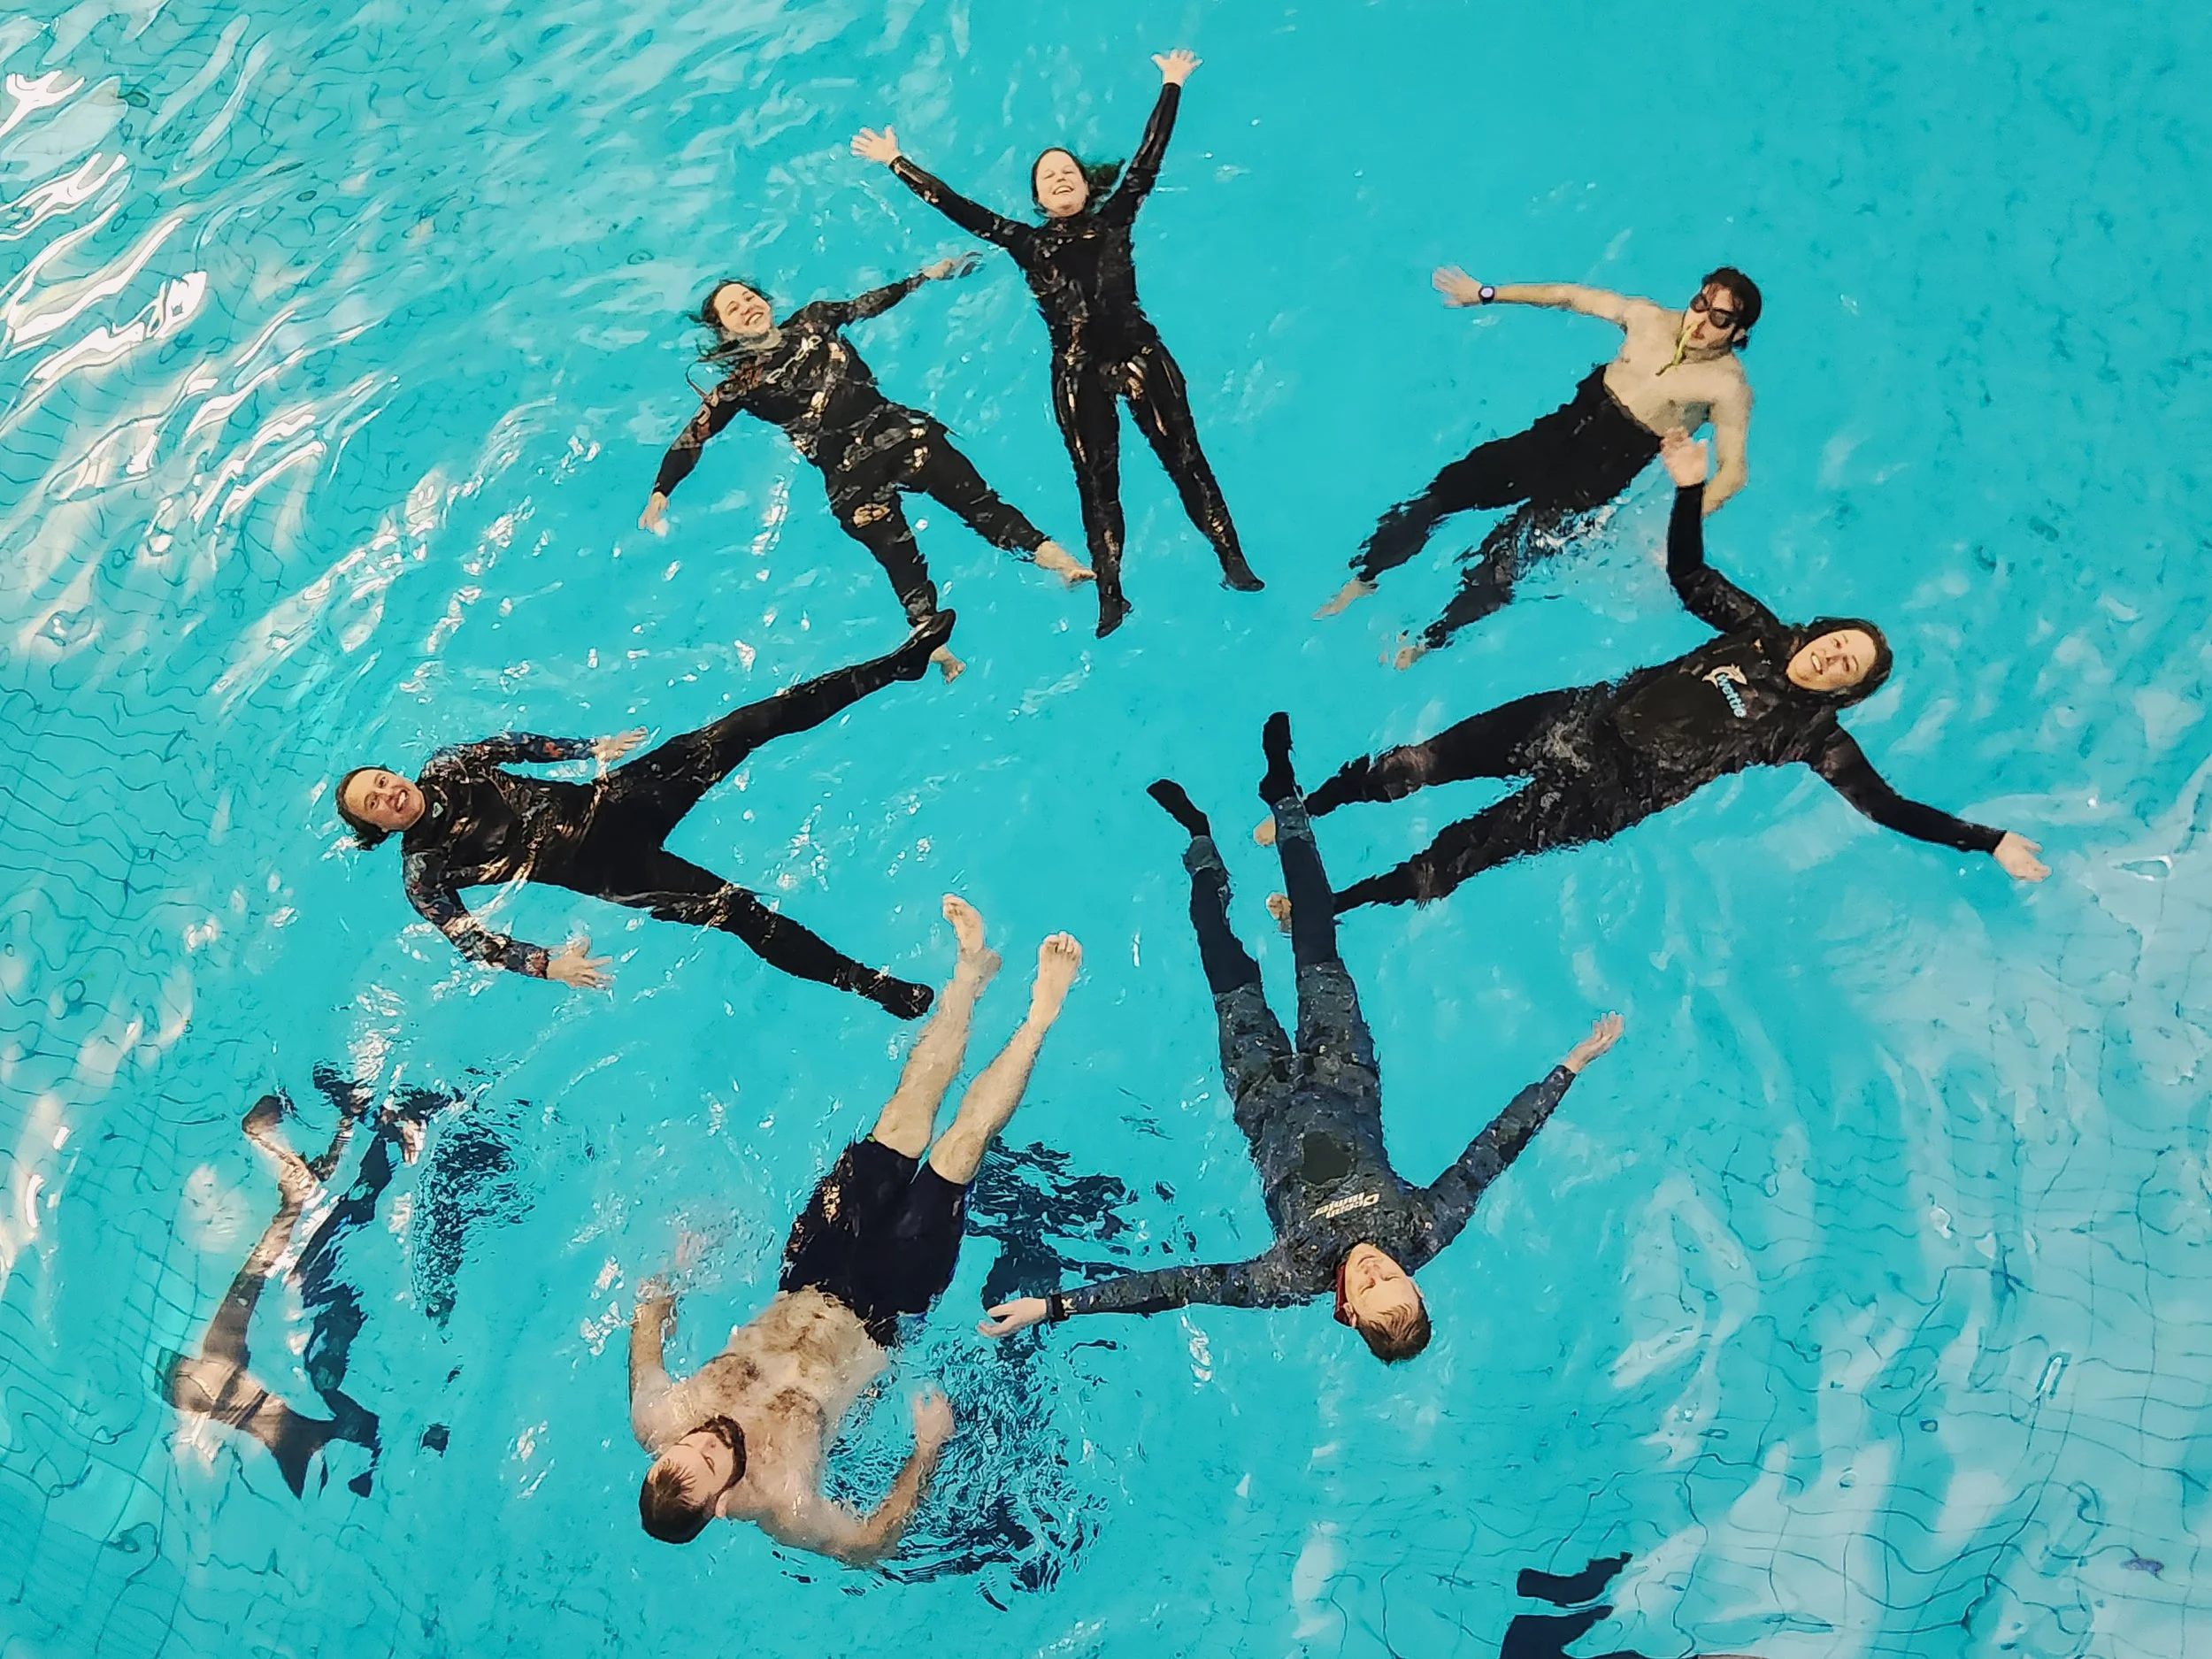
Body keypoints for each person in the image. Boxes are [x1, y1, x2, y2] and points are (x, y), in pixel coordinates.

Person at [976, 715, 1621, 1360]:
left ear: (1347, 1312)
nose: (1377, 1268)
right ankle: (1282, 791)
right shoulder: (1422, 1228)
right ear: (1415, 1283)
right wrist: (1569, 1067)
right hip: (1343, 1065)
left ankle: (1200, 839)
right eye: (1395, 1278)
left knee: (1219, 949)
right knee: (1315, 925)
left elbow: (1178, 1286)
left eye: (1371, 1288)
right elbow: (1493, 1151)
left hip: (1261, 1091)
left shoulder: (1291, 1274)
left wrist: (1055, 1305)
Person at [1275, 433, 2050, 911]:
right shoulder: (1758, 629)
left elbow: (1888, 807)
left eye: (1847, 665)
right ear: (1820, 634)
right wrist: (1687, 488)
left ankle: (1330, 905)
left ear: (1845, 688)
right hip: (1577, 718)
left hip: (1610, 794)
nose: (1832, 655)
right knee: (1426, 759)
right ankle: (1311, 804)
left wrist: (1988, 840)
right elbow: (1688, 574)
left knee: (1454, 858)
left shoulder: (1813, 735)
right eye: (1838, 640)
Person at [626, 897, 1081, 1561]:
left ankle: (969, 975)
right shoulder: (789, 1501)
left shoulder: (659, 1417)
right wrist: (926, 1450)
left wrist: (678, 1264)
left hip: (807, 1270)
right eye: (714, 1454)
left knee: (902, 1117)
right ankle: (1040, 1015)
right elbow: (871, 1542)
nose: (707, 1434)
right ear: (723, 1503)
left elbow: (647, 1316)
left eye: (691, 1443)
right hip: (884, 1308)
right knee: (959, 1147)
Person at [334, 615, 954, 1018]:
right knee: (740, 911)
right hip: (612, 868)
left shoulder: (446, 765)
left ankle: (895, 666)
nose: (389, 794)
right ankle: (871, 986)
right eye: (374, 803)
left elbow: (517, 745)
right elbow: (471, 941)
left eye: (382, 781)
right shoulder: (425, 872)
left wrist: (587, 749)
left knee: (745, 725)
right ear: (377, 828)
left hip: (618, 799)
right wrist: (548, 962)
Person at [853, 50, 1263, 636]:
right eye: (1048, 177)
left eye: (1065, 169)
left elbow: (1149, 156)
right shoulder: (1025, 241)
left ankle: (1233, 562)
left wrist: (1172, 83)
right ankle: (1112, 595)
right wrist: (897, 160)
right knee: (1098, 482)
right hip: (1078, 372)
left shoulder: (1118, 215)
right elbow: (961, 210)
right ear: (1039, 202)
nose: (1060, 176)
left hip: (1141, 354)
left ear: (1083, 187)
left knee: (1187, 461)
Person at [640, 262, 1088, 682]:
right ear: (726, 332)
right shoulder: (741, 385)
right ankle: (936, 647)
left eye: (748, 298)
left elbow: (867, 303)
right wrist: (662, 490)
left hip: (898, 433)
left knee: (979, 503)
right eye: (733, 310)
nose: (747, 308)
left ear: (767, 302)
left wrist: (923, 278)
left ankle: (1061, 564)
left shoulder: (815, 319)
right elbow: (693, 436)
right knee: (900, 559)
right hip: (850, 476)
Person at [1319, 266, 1763, 669]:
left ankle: (1427, 641)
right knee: (1445, 491)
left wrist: (1677, 528)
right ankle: (1367, 575)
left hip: (1592, 484)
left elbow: (1732, 472)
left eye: (1719, 319)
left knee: (1499, 566)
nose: (1700, 323)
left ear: (1739, 334)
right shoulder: (1648, 319)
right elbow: (1568, 295)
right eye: (1700, 305)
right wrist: (1486, 293)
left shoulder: (1726, 387)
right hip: (1547, 442)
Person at [162, 1088, 421, 1498]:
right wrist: (293, 1204)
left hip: (341, 1309)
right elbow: (255, 1276)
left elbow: (254, 1277)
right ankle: (372, 1130)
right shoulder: (241, 1365)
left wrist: (292, 1205)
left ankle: (368, 1134)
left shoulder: (297, 1443)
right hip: (334, 1302)